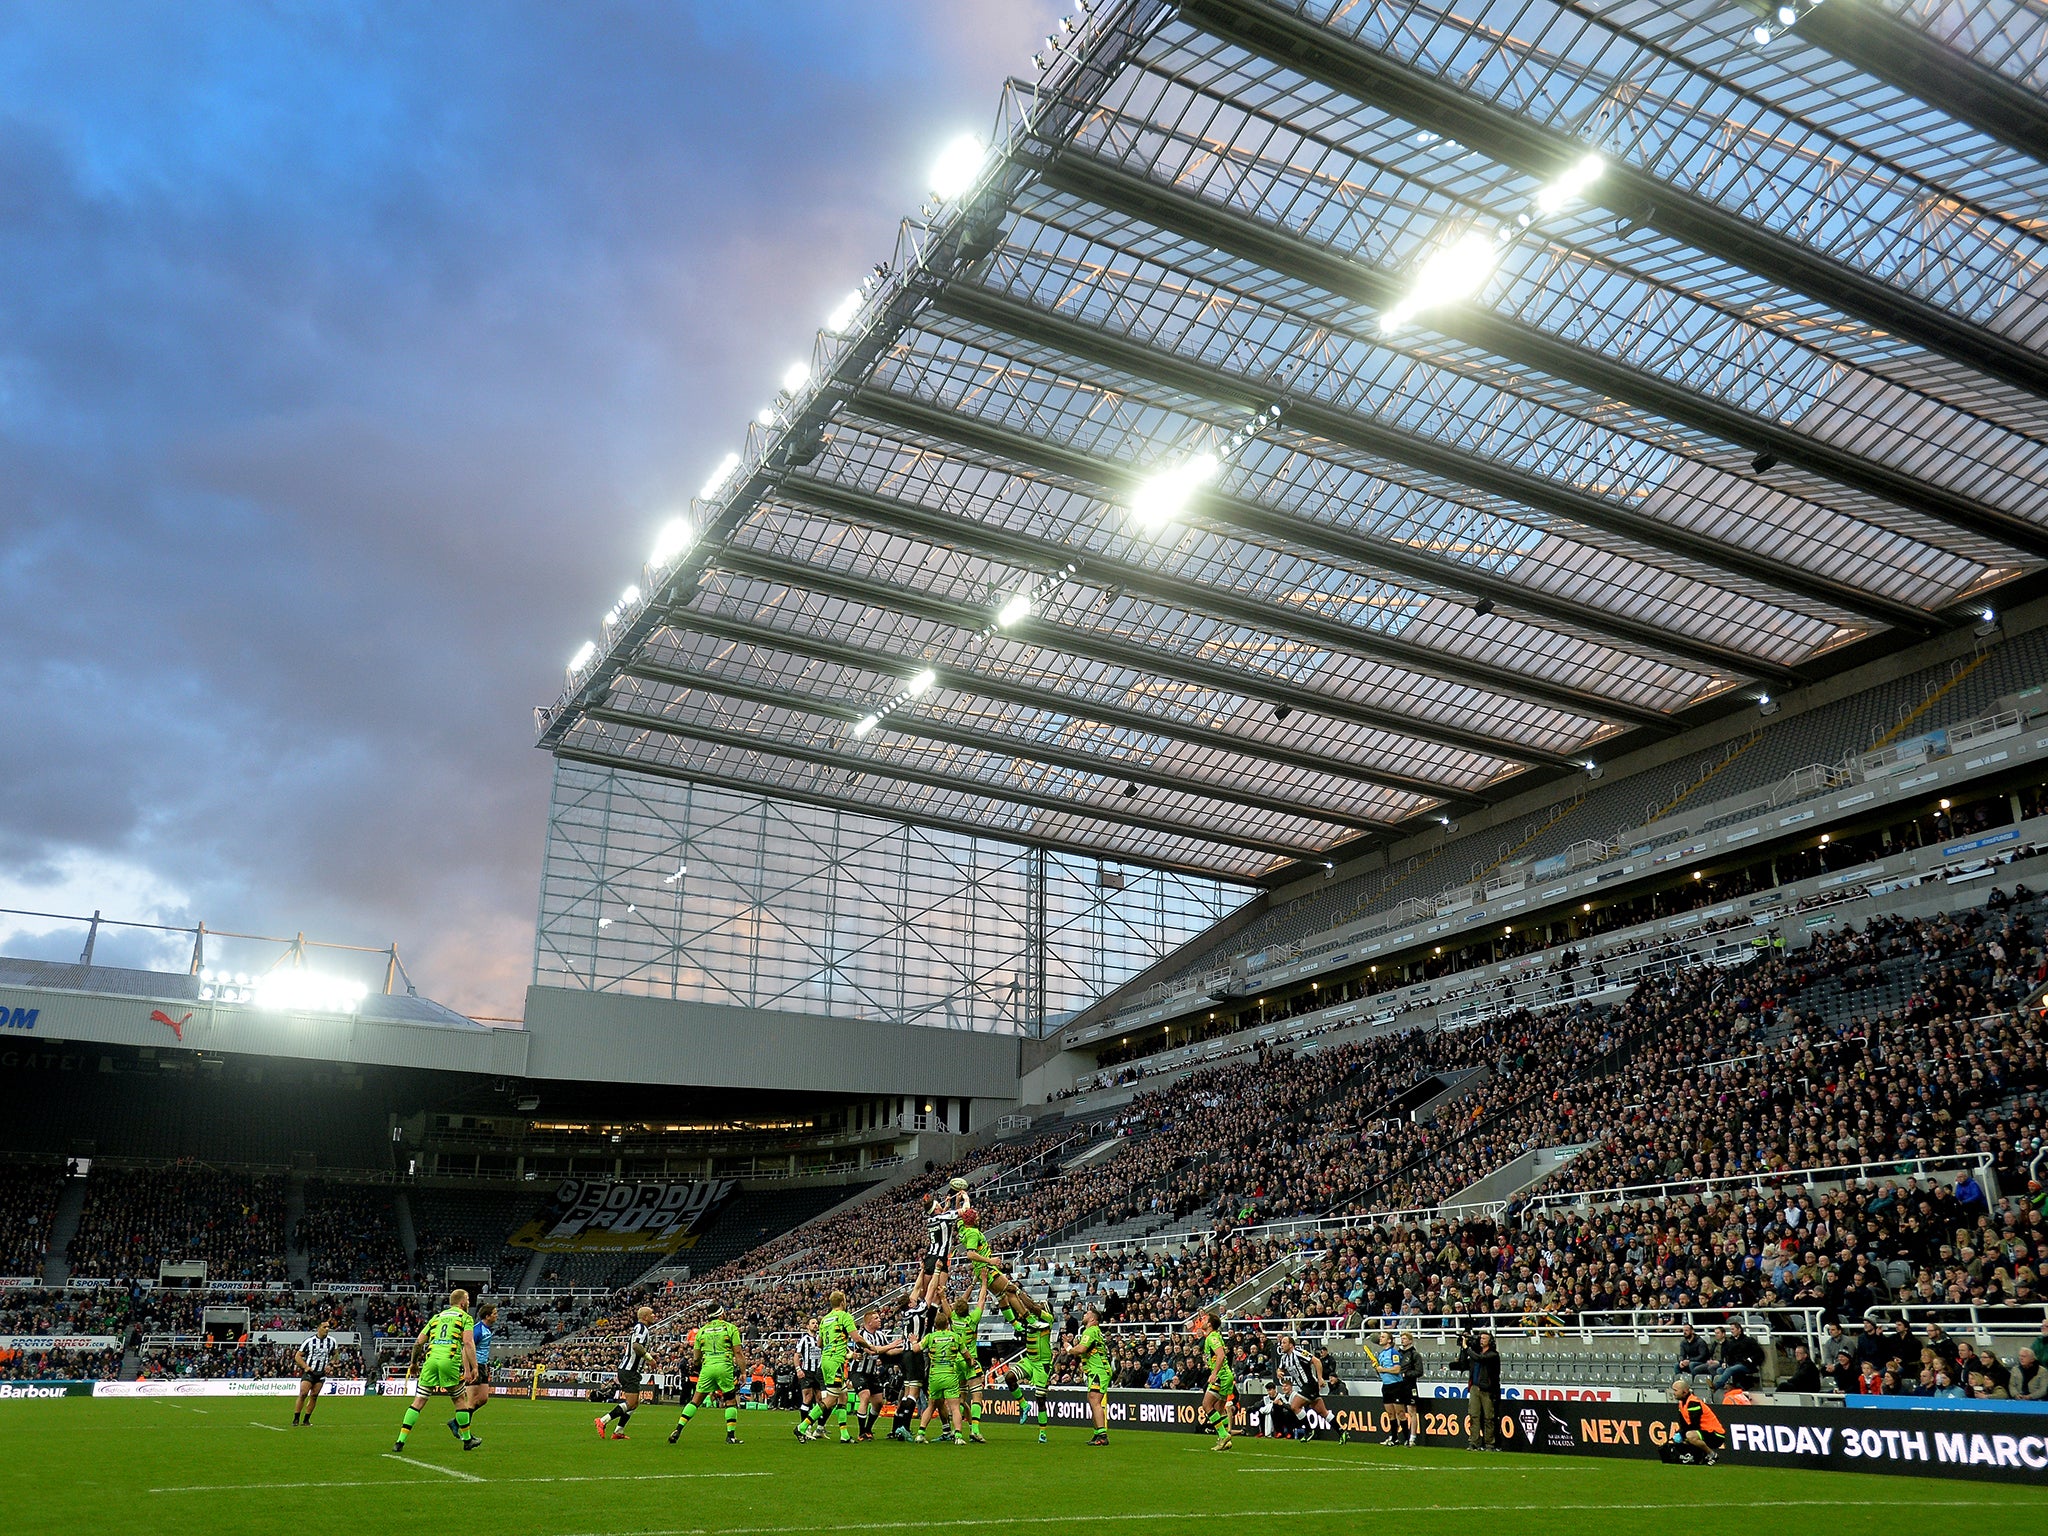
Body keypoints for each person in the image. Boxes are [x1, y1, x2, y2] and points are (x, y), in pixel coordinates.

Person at [395, 1288, 478, 1454]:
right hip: (450, 1360)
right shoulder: (465, 1317)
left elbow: (418, 1343)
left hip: (431, 1360)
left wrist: (413, 1363)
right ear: (462, 1302)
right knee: (459, 1401)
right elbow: (468, 1343)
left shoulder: (436, 1317)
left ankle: (399, 1442)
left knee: (418, 1402)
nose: (468, 1303)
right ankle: (468, 1440)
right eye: (468, 1299)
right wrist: (474, 1366)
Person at [667, 1302, 746, 1445]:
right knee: (730, 1401)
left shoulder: (701, 1331)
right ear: (721, 1314)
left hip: (707, 1367)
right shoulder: (730, 1328)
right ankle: (730, 1436)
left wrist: (698, 1367)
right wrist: (743, 1372)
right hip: (724, 1366)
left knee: (695, 1400)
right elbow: (738, 1353)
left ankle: (678, 1429)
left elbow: (696, 1357)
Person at [994, 1288, 1054, 1443]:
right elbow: (1014, 1310)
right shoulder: (1029, 1319)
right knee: (1009, 1377)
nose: (1038, 1305)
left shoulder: (1048, 1319)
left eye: (1042, 1304)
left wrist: (1018, 1292)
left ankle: (1042, 1432)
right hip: (1029, 1360)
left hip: (1042, 1364)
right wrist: (1004, 1296)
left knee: (1040, 1399)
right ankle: (1024, 1404)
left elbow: (1032, 1306)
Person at [800, 1290, 861, 1443]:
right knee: (830, 1400)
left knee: (843, 1396)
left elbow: (819, 1344)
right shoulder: (844, 1316)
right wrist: (871, 1347)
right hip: (835, 1363)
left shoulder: (825, 1319)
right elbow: (856, 1338)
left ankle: (844, 1434)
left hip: (825, 1361)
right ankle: (802, 1426)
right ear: (843, 1302)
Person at [911, 1303, 968, 1445]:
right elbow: (967, 1355)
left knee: (931, 1406)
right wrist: (970, 1363)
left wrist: (913, 1341)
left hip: (935, 1376)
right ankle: (958, 1436)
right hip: (950, 1375)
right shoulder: (955, 1337)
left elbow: (916, 1349)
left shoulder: (931, 1337)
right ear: (947, 1324)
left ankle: (920, 1433)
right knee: (954, 1407)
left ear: (935, 1325)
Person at [597, 1305, 657, 1441]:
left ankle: (619, 1431)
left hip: (630, 1370)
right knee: (631, 1403)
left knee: (635, 1402)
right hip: (629, 1370)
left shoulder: (640, 1328)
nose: (654, 1316)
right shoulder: (642, 1328)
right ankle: (603, 1420)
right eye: (652, 1314)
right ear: (645, 1317)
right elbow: (636, 1347)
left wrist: (649, 1355)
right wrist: (650, 1359)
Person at [1064, 1304, 1114, 1448]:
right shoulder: (1094, 1331)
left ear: (1092, 1318)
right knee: (1092, 1400)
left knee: (1094, 1400)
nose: (1084, 1315)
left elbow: (1081, 1349)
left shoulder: (1090, 1331)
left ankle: (1102, 1435)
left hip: (1099, 1370)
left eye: (1086, 1314)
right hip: (1098, 1370)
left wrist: (1068, 1348)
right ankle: (1098, 1432)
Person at [851, 1307, 903, 1442]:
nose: (879, 1320)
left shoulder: (880, 1335)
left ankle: (868, 1429)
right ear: (868, 1322)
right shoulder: (861, 1335)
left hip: (872, 1373)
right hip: (858, 1371)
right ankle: (861, 1432)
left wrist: (905, 1348)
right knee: (865, 1396)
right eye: (876, 1318)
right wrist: (892, 1345)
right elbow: (872, 1351)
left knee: (879, 1402)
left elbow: (888, 1352)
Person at [1190, 1308, 1234, 1453]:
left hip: (1221, 1376)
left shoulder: (1212, 1337)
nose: (1202, 1321)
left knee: (1206, 1404)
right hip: (1226, 1375)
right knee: (1219, 1409)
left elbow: (1221, 1355)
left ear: (1209, 1324)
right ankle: (1225, 1441)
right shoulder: (1214, 1336)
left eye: (1205, 1319)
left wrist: (1214, 1373)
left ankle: (1223, 1434)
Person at [1452, 1329, 1500, 1450]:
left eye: (1484, 1338)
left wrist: (1467, 1348)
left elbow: (1480, 1359)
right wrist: (1464, 1349)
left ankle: (1490, 1443)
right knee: (1474, 1415)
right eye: (1481, 1338)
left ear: (1490, 1341)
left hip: (1487, 1389)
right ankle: (1474, 1442)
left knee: (1489, 1417)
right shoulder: (1476, 1353)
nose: (1481, 1340)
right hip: (1474, 1387)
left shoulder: (1493, 1355)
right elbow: (1463, 1364)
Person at [1273, 1333, 1328, 1440]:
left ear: (1291, 1345)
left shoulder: (1299, 1353)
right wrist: (1278, 1372)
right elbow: (1280, 1369)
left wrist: (1320, 1378)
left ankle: (1308, 1430)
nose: (1281, 1345)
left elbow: (1316, 1361)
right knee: (1323, 1412)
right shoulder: (1284, 1358)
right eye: (1281, 1343)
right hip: (1303, 1387)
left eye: (1284, 1343)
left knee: (1294, 1406)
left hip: (1310, 1385)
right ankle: (1341, 1432)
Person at [1663, 1379, 1724, 1465]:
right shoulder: (1682, 1403)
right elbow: (1683, 1424)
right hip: (1703, 1432)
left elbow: (1694, 1425)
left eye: (1676, 1390)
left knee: (1689, 1435)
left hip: (1715, 1434)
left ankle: (1712, 1454)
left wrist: (1682, 1435)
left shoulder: (1693, 1403)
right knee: (1684, 1436)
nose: (1674, 1393)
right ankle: (1698, 1457)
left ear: (1684, 1391)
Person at [292, 1319, 335, 1427]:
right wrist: (305, 1366)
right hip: (310, 1373)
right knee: (303, 1393)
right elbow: (297, 1356)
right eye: (325, 1327)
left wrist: (331, 1364)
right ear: (318, 1328)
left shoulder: (332, 1341)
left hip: (321, 1374)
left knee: (314, 1395)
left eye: (328, 1327)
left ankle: (306, 1420)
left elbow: (335, 1354)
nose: (327, 1329)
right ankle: (296, 1418)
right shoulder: (309, 1341)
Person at [464, 1301, 497, 1436]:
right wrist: (468, 1369)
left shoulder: (487, 1329)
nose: (497, 1316)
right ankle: (466, 1433)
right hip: (474, 1365)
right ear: (487, 1316)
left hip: (482, 1366)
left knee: (483, 1398)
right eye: (495, 1314)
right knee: (471, 1401)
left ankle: (457, 1421)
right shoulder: (477, 1330)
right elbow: (465, 1350)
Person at [1712, 1321, 1764, 1395]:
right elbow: (1728, 1356)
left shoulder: (1749, 1340)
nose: (1731, 1331)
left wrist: (1750, 1360)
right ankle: (1726, 1387)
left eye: (1733, 1329)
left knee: (1730, 1369)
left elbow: (1759, 1353)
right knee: (1720, 1370)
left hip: (1747, 1365)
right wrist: (1725, 1363)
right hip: (1734, 1364)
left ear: (1739, 1329)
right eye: (1731, 1330)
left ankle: (1716, 1386)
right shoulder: (1731, 1342)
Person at [795, 1318, 822, 1423]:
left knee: (820, 1399)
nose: (815, 1325)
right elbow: (797, 1355)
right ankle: (804, 1426)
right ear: (807, 1326)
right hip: (807, 1372)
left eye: (816, 1323)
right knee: (808, 1397)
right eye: (813, 1323)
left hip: (819, 1372)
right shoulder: (804, 1339)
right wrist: (798, 1369)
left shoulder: (820, 1339)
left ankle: (818, 1427)